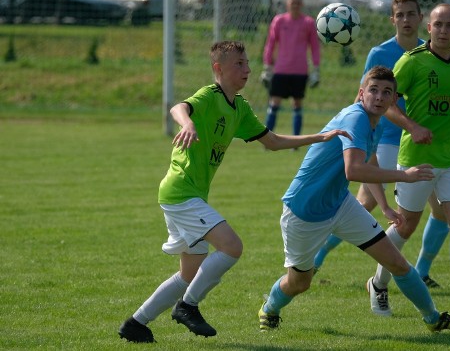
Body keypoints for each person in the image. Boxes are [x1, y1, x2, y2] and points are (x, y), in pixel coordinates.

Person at [118, 41, 348, 343]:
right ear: (219, 69)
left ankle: (136, 323)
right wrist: (187, 123)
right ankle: (187, 306)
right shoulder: (209, 96)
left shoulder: (239, 108)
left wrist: (320, 137)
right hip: (180, 193)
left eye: (248, 63)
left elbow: (273, 141)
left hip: (188, 196)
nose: (247, 69)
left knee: (189, 275)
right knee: (232, 247)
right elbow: (178, 107)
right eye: (239, 63)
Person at [258, 66, 450, 335]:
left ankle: (433, 319)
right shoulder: (355, 118)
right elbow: (354, 170)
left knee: (396, 262)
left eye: (387, 92)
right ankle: (270, 308)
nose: (380, 97)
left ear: (395, 100)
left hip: (340, 204)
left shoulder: (377, 122)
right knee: (300, 282)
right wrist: (404, 176)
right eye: (373, 90)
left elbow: (368, 160)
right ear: (361, 94)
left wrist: (384, 206)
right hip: (304, 211)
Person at [313, 0, 448, 292]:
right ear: (392, 19)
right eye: (400, 15)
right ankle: (317, 255)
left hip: (424, 142)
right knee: (367, 203)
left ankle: (422, 270)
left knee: (443, 210)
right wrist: (357, 131)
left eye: (411, 14)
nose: (406, 20)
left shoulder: (430, 53)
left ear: (421, 18)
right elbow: (362, 97)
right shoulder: (380, 52)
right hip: (387, 139)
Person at [368, 3, 450, 319]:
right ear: (429, 28)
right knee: (406, 226)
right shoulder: (411, 62)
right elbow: (387, 104)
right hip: (416, 159)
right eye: (439, 25)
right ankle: (378, 283)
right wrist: (413, 126)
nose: (444, 31)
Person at [261, 0, 321, 136]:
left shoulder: (308, 23)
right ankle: (267, 139)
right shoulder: (279, 21)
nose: (295, 6)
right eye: (293, 3)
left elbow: (314, 47)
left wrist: (316, 68)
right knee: (274, 103)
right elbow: (270, 43)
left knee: (297, 105)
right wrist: (267, 66)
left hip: (300, 71)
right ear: (288, 4)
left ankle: (295, 142)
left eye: (298, 3)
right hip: (281, 70)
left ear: (302, 5)